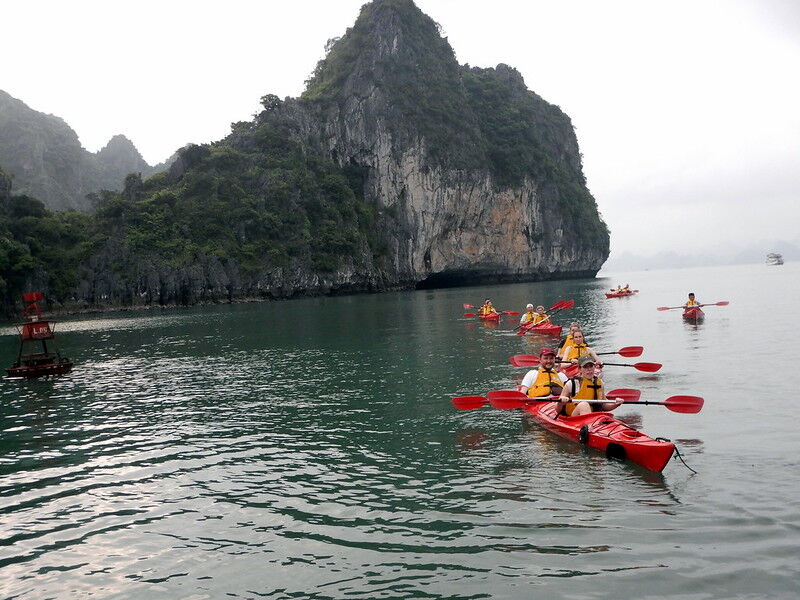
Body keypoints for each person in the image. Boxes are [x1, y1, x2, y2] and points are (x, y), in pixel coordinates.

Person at [557, 355, 623, 417]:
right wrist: (561, 402)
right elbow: (557, 410)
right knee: (584, 405)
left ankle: (590, 426)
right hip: (574, 418)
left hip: (594, 418)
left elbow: (604, 405)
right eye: (585, 367)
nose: (589, 369)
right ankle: (588, 427)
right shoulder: (572, 383)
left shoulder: (600, 383)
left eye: (591, 366)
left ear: (594, 367)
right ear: (579, 369)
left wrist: (616, 404)